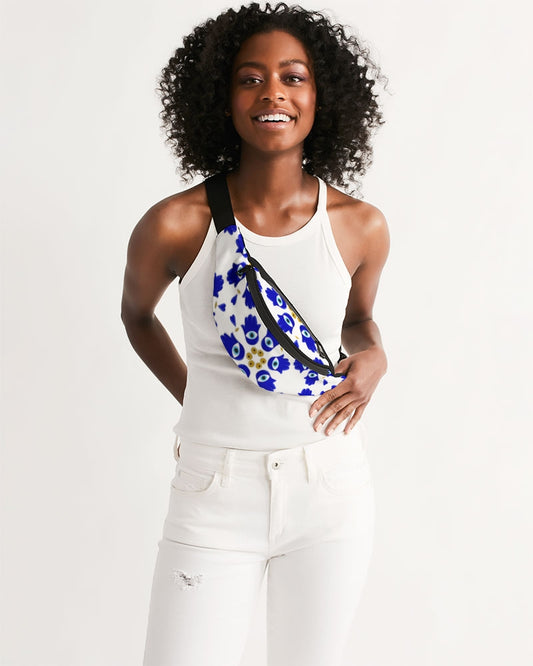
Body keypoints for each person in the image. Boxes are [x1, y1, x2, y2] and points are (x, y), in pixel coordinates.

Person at [121, 3, 390, 665]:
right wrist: (194, 397)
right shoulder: (176, 223)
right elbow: (136, 316)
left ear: (322, 97)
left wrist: (374, 357)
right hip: (213, 493)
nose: (273, 92)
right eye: (249, 78)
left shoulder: (359, 225)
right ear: (221, 98)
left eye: (293, 77)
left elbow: (355, 321)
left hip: (329, 487)